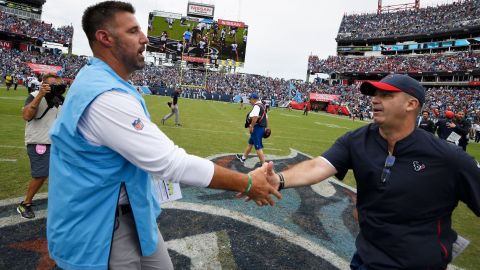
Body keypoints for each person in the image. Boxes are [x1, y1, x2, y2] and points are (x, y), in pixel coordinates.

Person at [47, 2, 281, 270]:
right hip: (102, 224)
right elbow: (171, 163)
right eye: (134, 31)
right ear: (105, 38)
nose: (145, 38)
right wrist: (248, 183)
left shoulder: (109, 83)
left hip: (133, 210)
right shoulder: (106, 97)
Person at [260, 74, 480, 270]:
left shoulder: (447, 158)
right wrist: (278, 179)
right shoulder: (357, 140)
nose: (375, 99)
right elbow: (318, 165)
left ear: (411, 104)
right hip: (365, 259)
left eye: (386, 95)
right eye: (375, 94)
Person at [17, 74, 64, 219]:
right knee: (41, 174)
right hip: (39, 141)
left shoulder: (60, 100)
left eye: (57, 84)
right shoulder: (34, 95)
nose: (55, 87)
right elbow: (26, 115)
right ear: (43, 84)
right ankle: (25, 204)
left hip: (57, 143)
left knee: (60, 174)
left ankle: (59, 202)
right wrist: (40, 95)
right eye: (52, 85)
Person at [236, 93, 268, 164]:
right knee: (250, 144)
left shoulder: (257, 106)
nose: (249, 101)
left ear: (254, 99)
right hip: (260, 127)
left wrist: (251, 126)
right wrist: (265, 128)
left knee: (258, 147)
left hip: (257, 128)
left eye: (250, 99)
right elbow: (266, 118)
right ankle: (243, 158)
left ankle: (264, 165)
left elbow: (255, 118)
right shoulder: (262, 105)